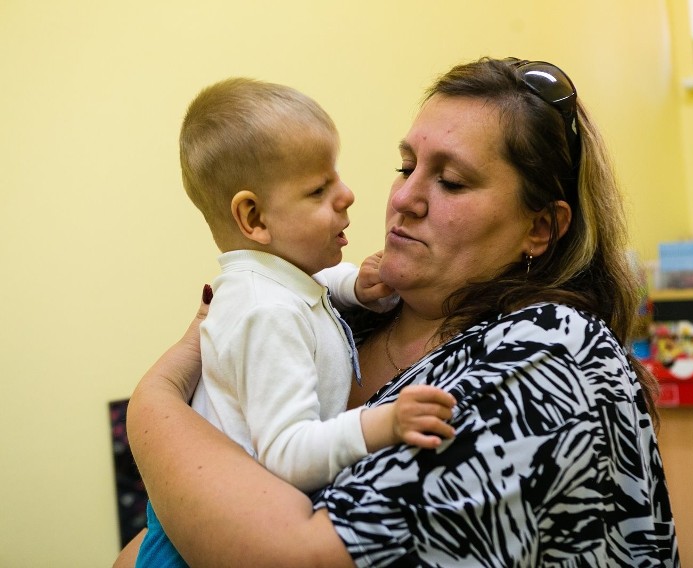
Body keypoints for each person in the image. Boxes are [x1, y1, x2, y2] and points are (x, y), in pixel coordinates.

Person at [116, 57, 679, 567]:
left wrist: (154, 399)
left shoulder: (550, 354)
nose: (404, 197)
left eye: (452, 181)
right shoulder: (344, 314)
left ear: (539, 228)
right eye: (405, 165)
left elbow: (299, 557)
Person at [135, 78, 457, 567]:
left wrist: (358, 287)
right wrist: (383, 422)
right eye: (318, 189)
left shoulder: (274, 285)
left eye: (336, 177)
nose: (347, 195)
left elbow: (319, 288)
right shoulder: (266, 313)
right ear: (254, 218)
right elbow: (287, 454)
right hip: (199, 544)